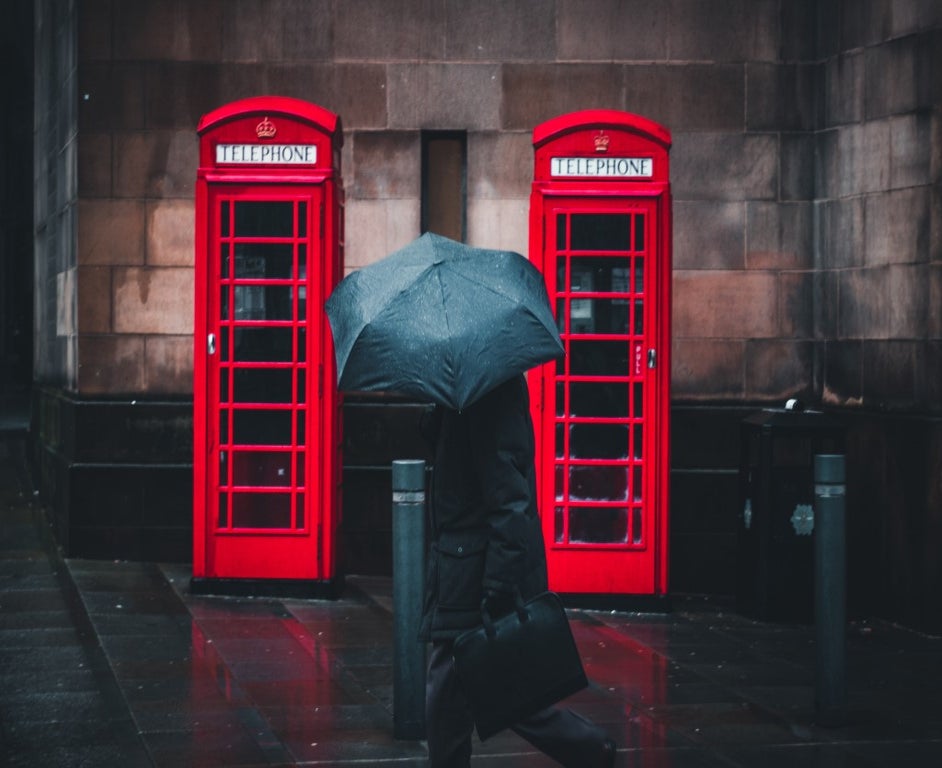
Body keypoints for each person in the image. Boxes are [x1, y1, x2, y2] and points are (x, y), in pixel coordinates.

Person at [419, 374, 616, 768]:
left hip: (477, 570)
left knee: (454, 693)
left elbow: (510, 500)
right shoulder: (460, 391)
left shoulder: (489, 393)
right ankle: (590, 748)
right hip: (460, 565)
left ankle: (590, 747)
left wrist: (498, 584)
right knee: (489, 692)